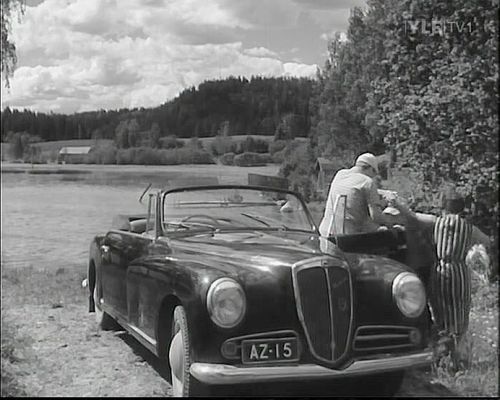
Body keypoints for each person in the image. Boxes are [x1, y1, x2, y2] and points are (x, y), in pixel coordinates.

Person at [391, 188, 491, 366]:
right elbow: (487, 241)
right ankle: (459, 356)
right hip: (460, 271)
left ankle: (442, 355)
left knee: (441, 312)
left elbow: (412, 217)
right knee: (459, 312)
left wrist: (397, 203)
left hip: (441, 270)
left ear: (444, 206)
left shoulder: (435, 221)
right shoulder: (470, 228)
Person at [318, 152, 394, 236]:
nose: (373, 177)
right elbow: (376, 217)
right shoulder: (367, 182)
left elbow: (354, 188)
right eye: (374, 173)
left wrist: (383, 192)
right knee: (384, 236)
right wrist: (392, 225)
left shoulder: (340, 174)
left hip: (325, 232)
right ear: (370, 169)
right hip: (347, 238)